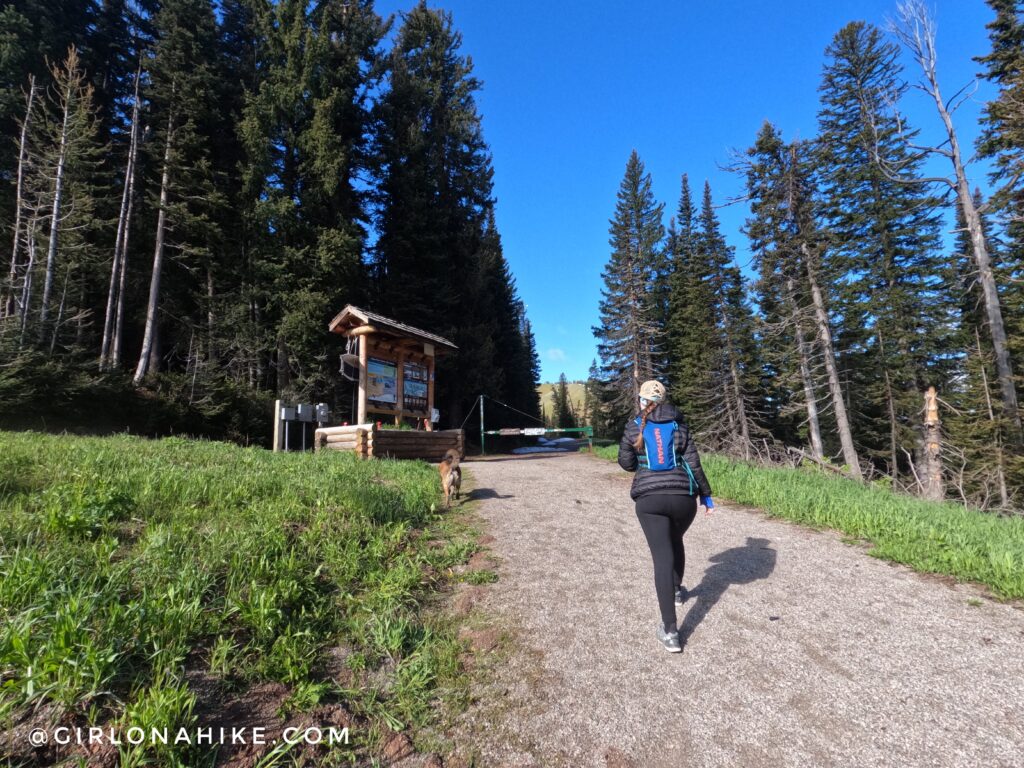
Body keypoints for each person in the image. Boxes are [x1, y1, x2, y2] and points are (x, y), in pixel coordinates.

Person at [618, 379, 714, 653]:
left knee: (662, 556)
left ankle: (670, 632)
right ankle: (676, 591)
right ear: (663, 401)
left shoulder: (633, 426)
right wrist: (706, 496)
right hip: (684, 499)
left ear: (641, 400)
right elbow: (694, 463)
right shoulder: (679, 425)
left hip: (650, 501)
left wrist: (642, 461)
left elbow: (626, 464)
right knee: (675, 540)